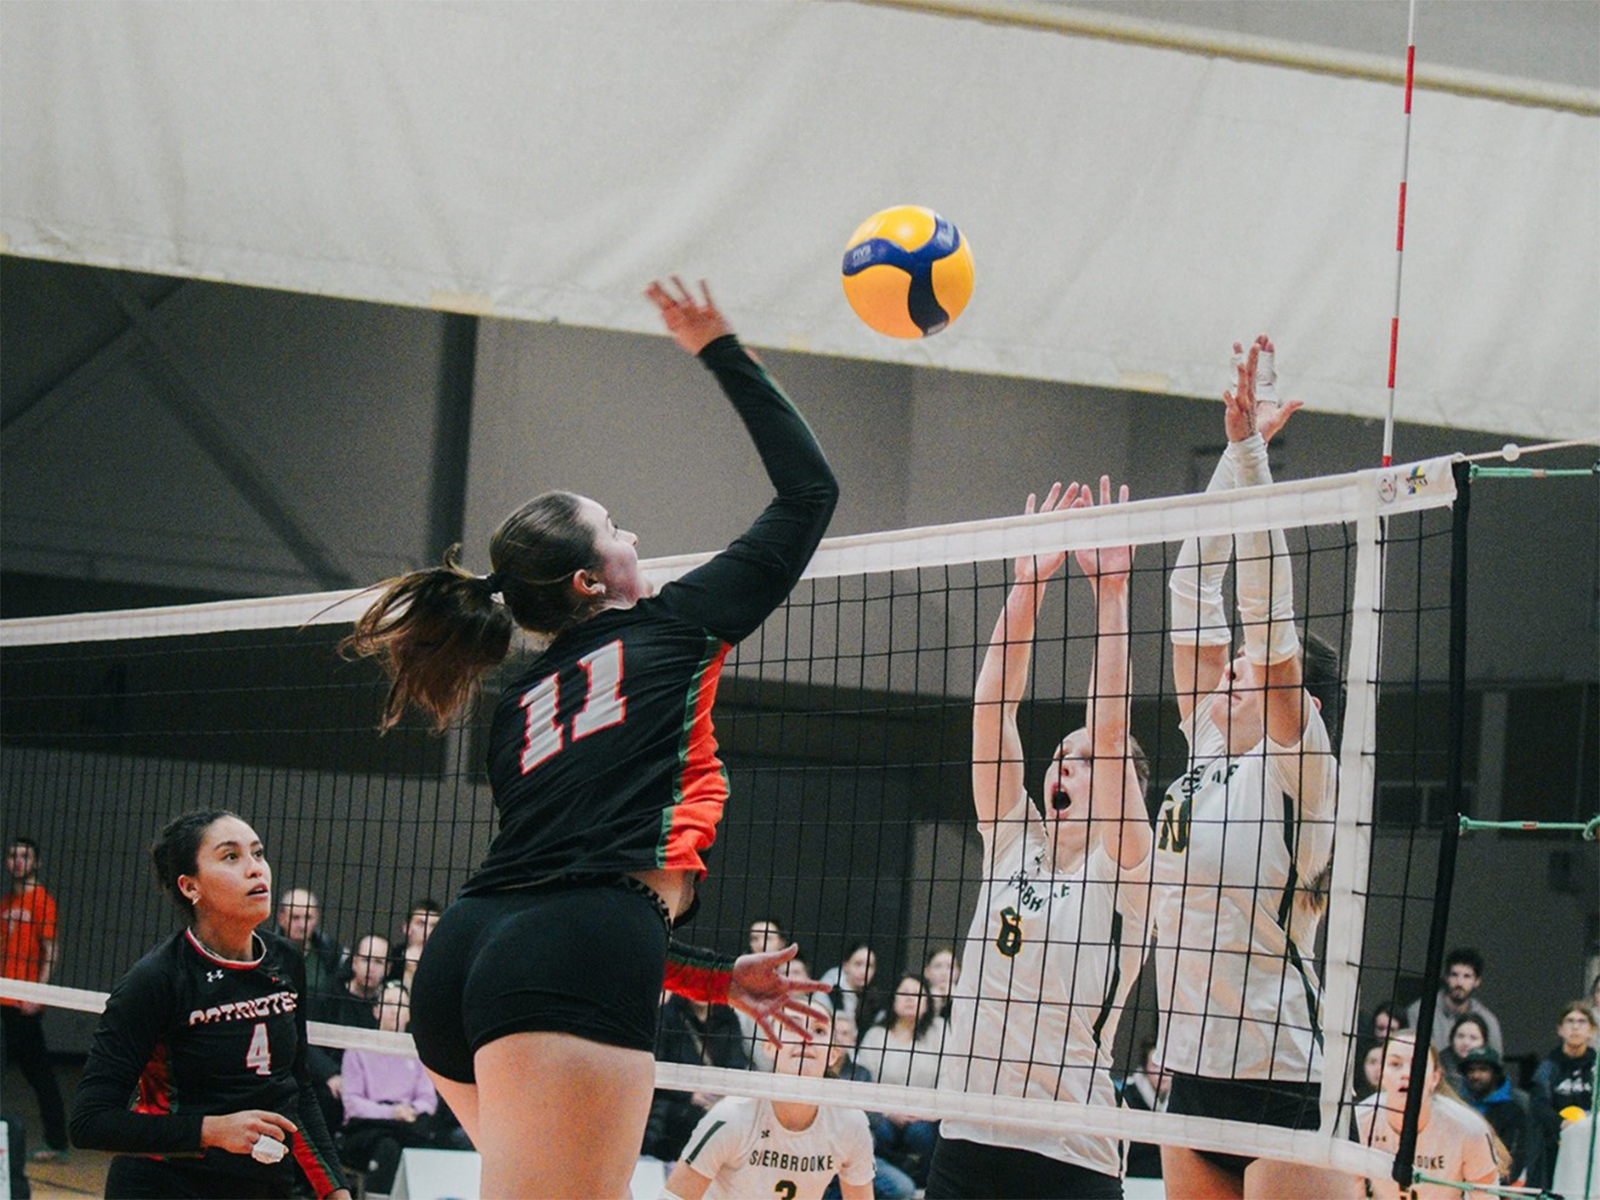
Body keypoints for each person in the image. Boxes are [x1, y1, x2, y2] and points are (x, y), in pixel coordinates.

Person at [341, 277, 838, 1198]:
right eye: (615, 529)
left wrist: (716, 983)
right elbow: (810, 490)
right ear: (586, 581)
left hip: (467, 958)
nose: (634, 533)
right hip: (568, 964)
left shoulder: (520, 705)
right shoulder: (673, 627)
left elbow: (577, 882)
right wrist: (719, 346)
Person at [1151, 338, 1349, 1200]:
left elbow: (1270, 626)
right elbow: (1192, 590)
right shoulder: (1204, 751)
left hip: (1281, 1079)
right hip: (1189, 1073)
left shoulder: (1296, 766)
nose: (1227, 666)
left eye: (1247, 670)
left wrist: (1254, 462)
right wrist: (1231, 460)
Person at [928, 477, 1154, 1200]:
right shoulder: (1012, 836)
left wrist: (1112, 596)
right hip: (967, 1133)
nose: (1064, 762)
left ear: (1128, 792)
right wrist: (1027, 587)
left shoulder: (1128, 870)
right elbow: (993, 710)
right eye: (1060, 754)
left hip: (1070, 1152)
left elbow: (1112, 736)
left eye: (1081, 762)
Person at [69, 810, 349, 1199]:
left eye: (258, 853)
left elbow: (296, 1089)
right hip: (166, 1185)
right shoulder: (157, 979)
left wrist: (334, 1190)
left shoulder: (285, 961)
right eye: (231, 857)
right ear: (190, 886)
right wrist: (211, 1131)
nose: (256, 869)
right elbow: (90, 1122)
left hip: (262, 1186)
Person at [662, 999, 875, 1200]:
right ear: (769, 1047)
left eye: (819, 1031)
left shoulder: (850, 1124)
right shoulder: (731, 1116)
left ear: (833, 1054)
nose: (806, 1037)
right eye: (793, 1027)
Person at [1354, 1030, 1500, 1200]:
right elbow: (1349, 1191)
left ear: (1435, 1078)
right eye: (1395, 1064)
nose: (1406, 1074)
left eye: (1417, 1065)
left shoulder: (1469, 1129)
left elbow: (1485, 1195)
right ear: (1382, 1075)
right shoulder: (1359, 1120)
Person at [1, 836, 69, 1160]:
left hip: (23, 1003)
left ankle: (57, 1142)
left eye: (24, 856)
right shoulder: (5, 903)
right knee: (36, 1070)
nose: (17, 862)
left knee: (39, 1072)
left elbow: (51, 951)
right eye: (12, 855)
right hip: (3, 998)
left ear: (35, 863)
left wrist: (38, 994)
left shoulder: (42, 901)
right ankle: (56, 1141)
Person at [339, 981, 439, 1196]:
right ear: (376, 1010)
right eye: (389, 1003)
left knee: (431, 1145)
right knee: (388, 1147)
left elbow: (428, 1099)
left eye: (401, 1006)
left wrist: (409, 1110)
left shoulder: (418, 1052)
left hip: (407, 1124)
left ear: (409, 1015)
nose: (394, 1011)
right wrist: (391, 1112)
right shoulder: (358, 1049)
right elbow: (353, 1104)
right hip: (366, 1129)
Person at [854, 974, 942, 1187]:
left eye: (917, 994)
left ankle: (924, 1189)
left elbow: (948, 1079)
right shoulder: (876, 1035)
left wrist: (925, 1112)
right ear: (893, 1000)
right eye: (904, 994)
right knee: (878, 1132)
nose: (910, 999)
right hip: (883, 1113)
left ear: (927, 1002)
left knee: (921, 1134)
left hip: (925, 1115)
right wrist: (888, 1112)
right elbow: (863, 1082)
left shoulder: (939, 1033)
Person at [643, 993, 750, 1162]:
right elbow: (654, 1067)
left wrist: (721, 1093)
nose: (703, 990)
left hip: (720, 1099)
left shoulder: (728, 1017)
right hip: (674, 1103)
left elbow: (737, 1063)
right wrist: (690, 1094)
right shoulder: (666, 1015)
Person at [826, 1011, 916, 1200]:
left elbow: (873, 1117)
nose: (839, 1039)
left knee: (904, 1189)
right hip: (821, 1153)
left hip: (857, 1154)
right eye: (835, 1034)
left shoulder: (861, 1074)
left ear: (853, 1039)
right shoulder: (813, 1069)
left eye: (845, 1034)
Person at [1459, 1046, 1543, 1186]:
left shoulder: (1513, 1110)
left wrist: (1495, 1185)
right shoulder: (1457, 1107)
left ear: (1496, 1073)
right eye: (1471, 1070)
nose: (1476, 1075)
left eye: (1483, 1070)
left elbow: (1514, 1157)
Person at [1406, 949, 1503, 1056]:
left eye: (1467, 976)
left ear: (1477, 981)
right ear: (1446, 977)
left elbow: (1496, 1063)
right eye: (1454, 975)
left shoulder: (1487, 1019)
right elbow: (1409, 1054)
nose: (1459, 983)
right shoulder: (1420, 1012)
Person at [1531, 1000, 1596, 1121]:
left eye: (1582, 1021)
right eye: (1570, 1021)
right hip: (1556, 1132)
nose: (1575, 1027)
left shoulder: (1597, 1066)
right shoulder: (1548, 1067)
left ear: (1592, 1030)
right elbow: (1539, 1106)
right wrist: (1560, 1123)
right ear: (1560, 1030)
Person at [275, 887, 345, 998]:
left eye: (308, 918)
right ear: (281, 918)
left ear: (316, 917)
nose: (302, 925)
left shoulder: (331, 954)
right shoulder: (267, 951)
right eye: (295, 918)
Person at [1121, 1041, 1170, 1180]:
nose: (1163, 1072)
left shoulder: (1182, 1099)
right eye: (1156, 1065)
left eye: (1168, 1067)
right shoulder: (1127, 1097)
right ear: (1144, 1068)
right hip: (1133, 1178)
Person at [820, 943, 878, 1026]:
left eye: (869, 966)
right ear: (845, 965)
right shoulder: (829, 989)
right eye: (858, 964)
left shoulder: (872, 996)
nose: (863, 971)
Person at [385, 899, 440, 983]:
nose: (427, 932)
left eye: (433, 926)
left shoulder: (444, 962)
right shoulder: (392, 957)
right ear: (406, 928)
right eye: (421, 924)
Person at [1441, 1014, 1491, 1096]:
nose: (1466, 1043)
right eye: (1460, 1036)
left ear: (1484, 1042)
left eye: (1473, 1038)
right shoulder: (1439, 1066)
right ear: (1452, 1039)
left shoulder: (1491, 1068)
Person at [922, 948, 958, 1024]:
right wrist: (934, 1003)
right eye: (938, 966)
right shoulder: (920, 997)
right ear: (927, 972)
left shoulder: (968, 997)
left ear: (958, 972)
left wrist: (956, 1000)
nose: (944, 973)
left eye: (950, 967)